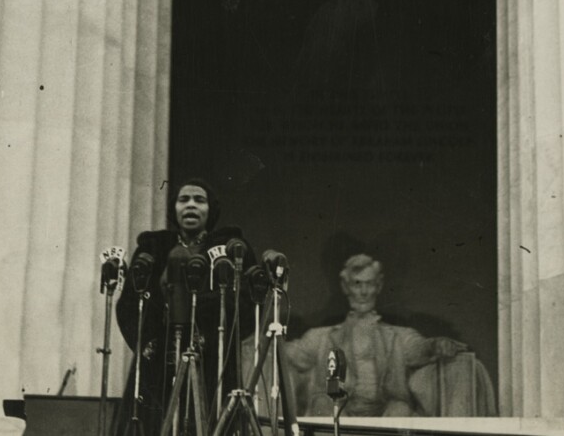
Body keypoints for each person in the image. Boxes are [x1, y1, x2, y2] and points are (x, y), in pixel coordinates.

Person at [115, 178, 257, 436]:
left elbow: (247, 302)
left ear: (210, 210)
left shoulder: (230, 247)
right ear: (174, 209)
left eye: (199, 200)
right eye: (184, 199)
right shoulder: (153, 249)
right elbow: (128, 305)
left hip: (213, 362)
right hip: (159, 364)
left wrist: (212, 325)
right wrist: (148, 343)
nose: (191, 205)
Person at [284, 254, 468, 417]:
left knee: (400, 409)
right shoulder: (322, 337)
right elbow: (292, 354)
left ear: (378, 286)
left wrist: (436, 345)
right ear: (345, 287)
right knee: (324, 404)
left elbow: (419, 349)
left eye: (369, 284)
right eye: (357, 284)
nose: (364, 292)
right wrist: (261, 342)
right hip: (339, 407)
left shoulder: (397, 336)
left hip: (385, 409)